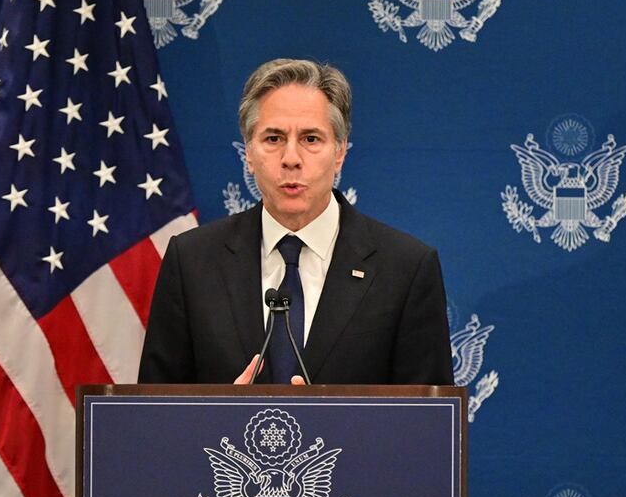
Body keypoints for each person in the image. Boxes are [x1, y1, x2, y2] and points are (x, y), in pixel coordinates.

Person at [137, 58, 452, 385]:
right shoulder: (191, 262)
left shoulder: (405, 269)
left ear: (340, 151)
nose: (290, 159)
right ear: (248, 152)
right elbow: (153, 416)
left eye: (311, 139)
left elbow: (429, 426)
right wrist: (221, 416)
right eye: (273, 139)